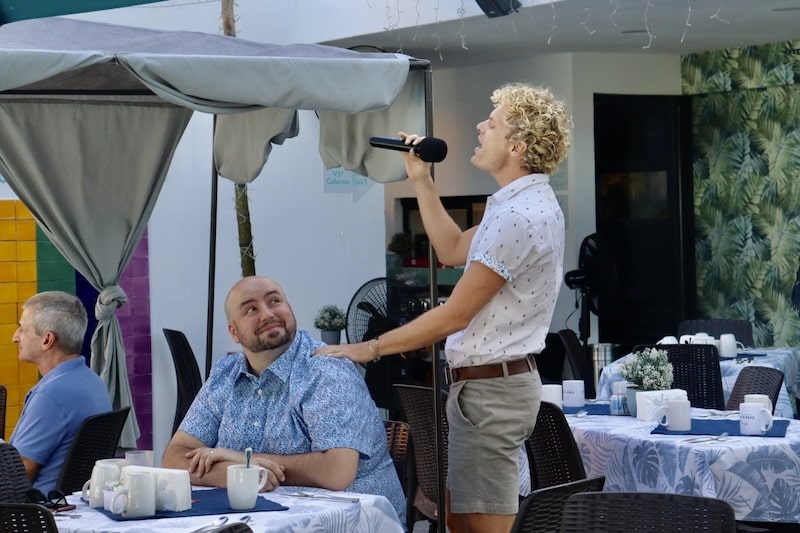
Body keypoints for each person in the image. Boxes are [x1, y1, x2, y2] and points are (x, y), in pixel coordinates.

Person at [316, 82, 571, 533]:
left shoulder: (518, 216)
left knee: (482, 526)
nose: (480, 126)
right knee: (461, 522)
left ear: (517, 145)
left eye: (491, 123)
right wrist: (420, 179)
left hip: (492, 393)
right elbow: (452, 248)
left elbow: (455, 314)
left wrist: (370, 348)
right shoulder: (519, 205)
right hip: (487, 390)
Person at [162, 276, 406, 525]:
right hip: (260, 518)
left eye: (275, 301)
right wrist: (237, 474)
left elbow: (336, 472)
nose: (267, 314)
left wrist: (238, 458)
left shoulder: (325, 369)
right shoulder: (225, 374)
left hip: (350, 520)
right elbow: (174, 458)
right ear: (234, 332)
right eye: (251, 309)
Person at [10, 291, 112, 492]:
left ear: (47, 340)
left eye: (22, 329)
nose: (15, 337)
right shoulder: (93, 382)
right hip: (76, 505)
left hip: (38, 515)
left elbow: (16, 477)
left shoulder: (50, 396)